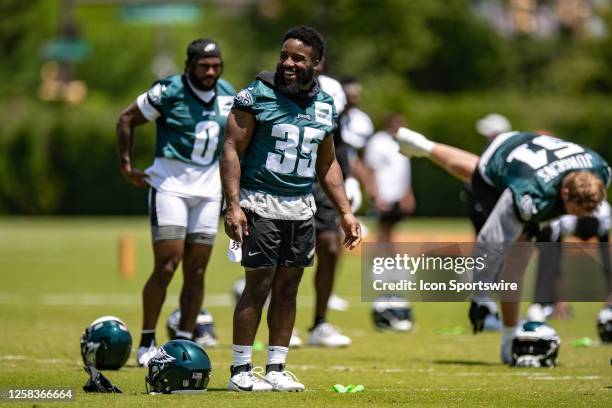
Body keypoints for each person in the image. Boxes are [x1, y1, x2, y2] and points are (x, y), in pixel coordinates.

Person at [220, 26, 361, 392]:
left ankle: (277, 366)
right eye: (285, 55)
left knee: (289, 288)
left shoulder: (325, 104)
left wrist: (345, 211)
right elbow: (231, 148)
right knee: (259, 284)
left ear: (317, 63)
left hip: (300, 206)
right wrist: (233, 205)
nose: (288, 63)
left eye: (298, 58)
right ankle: (240, 370)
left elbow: (327, 163)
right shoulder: (256, 94)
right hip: (260, 200)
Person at [396, 128, 610, 364]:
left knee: (473, 170)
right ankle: (509, 340)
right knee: (517, 257)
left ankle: (422, 145)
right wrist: (479, 295)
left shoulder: (600, 169)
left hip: (525, 143)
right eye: (573, 211)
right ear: (565, 192)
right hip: (505, 158)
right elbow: (490, 240)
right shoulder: (530, 194)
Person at [116, 38, 235, 366]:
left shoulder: (228, 93)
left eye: (216, 65)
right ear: (189, 66)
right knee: (168, 265)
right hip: (170, 186)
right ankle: (147, 341)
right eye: (204, 66)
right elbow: (126, 119)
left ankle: (182, 344)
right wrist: (127, 166)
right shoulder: (168, 91)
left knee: (196, 271)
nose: (211, 72)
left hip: (209, 191)